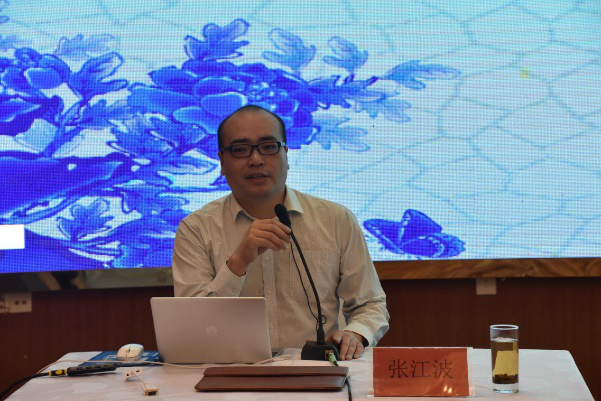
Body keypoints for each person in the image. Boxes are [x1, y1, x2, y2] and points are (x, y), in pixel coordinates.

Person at [172, 105, 389, 360]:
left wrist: (355, 334)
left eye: (269, 147)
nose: (256, 159)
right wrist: (239, 261)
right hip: (229, 371)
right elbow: (192, 324)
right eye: (240, 149)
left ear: (286, 154)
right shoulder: (195, 229)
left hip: (315, 370)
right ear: (221, 162)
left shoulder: (336, 220)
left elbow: (370, 304)